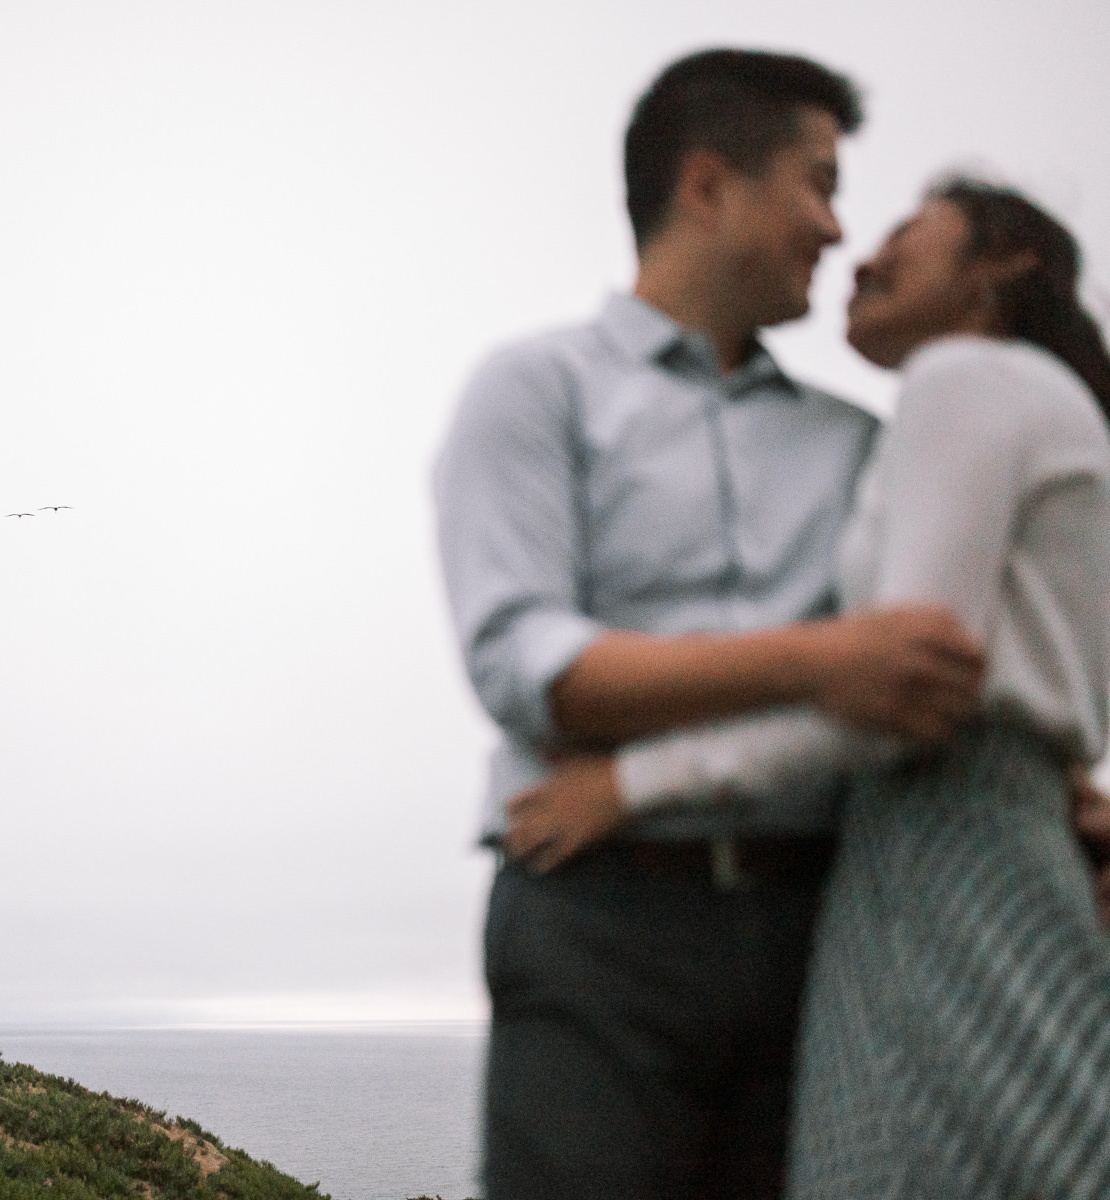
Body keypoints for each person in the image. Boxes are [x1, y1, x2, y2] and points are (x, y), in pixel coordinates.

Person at [434, 48, 991, 1200]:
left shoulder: (857, 443)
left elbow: (926, 675)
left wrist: (1057, 800)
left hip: (834, 924)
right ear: (706, 185)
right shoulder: (534, 390)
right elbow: (530, 668)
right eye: (817, 181)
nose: (837, 229)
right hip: (595, 919)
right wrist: (820, 659)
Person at [506, 179, 1110, 1197]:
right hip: (990, 853)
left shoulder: (963, 380)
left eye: (906, 236)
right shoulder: (1049, 406)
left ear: (1004, 264)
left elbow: (902, 702)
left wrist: (632, 785)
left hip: (938, 864)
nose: (860, 256)